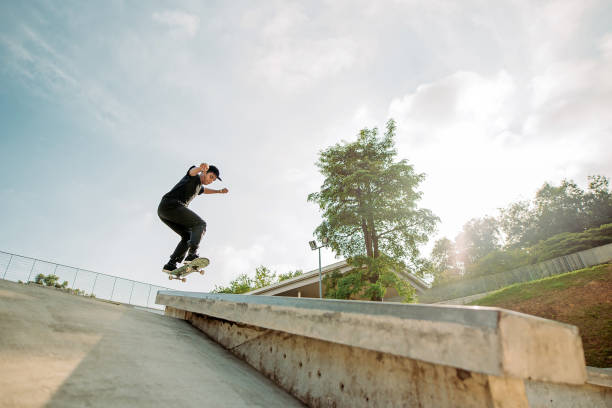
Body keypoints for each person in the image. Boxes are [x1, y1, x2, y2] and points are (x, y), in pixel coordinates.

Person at [158, 163, 228, 272]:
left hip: (164, 211)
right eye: (211, 177)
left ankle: (171, 264)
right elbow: (192, 171)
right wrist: (201, 168)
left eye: (213, 180)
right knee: (200, 224)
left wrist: (219, 191)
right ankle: (192, 254)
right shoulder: (193, 176)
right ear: (204, 172)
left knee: (187, 235)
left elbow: (205, 190)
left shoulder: (199, 187)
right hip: (171, 205)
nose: (210, 181)